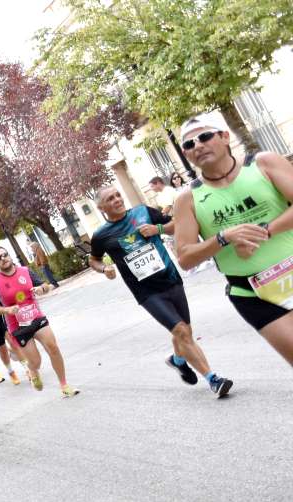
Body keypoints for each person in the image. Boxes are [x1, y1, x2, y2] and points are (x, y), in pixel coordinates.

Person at [89, 186, 234, 396]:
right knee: (181, 332)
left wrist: (158, 229)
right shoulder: (101, 235)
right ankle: (213, 379)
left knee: (185, 331)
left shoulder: (143, 212)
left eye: (118, 195)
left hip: (170, 279)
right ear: (101, 207)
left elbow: (178, 225)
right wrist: (104, 269)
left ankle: (177, 360)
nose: (117, 200)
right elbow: (94, 259)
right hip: (146, 292)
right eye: (110, 199)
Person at [172, 116, 293, 366]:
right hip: (252, 291)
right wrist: (223, 238)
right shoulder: (187, 198)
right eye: (189, 145)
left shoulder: (263, 164)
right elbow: (184, 257)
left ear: (225, 136)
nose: (198, 146)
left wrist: (265, 231)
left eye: (205, 136)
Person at [0, 246, 78, 397]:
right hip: (18, 326)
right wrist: (6, 310)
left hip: (36, 316)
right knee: (36, 362)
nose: (3, 259)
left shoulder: (25, 271)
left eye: (5, 255)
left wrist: (42, 289)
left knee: (53, 347)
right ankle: (33, 370)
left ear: (9, 255)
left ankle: (64, 385)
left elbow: (45, 285)